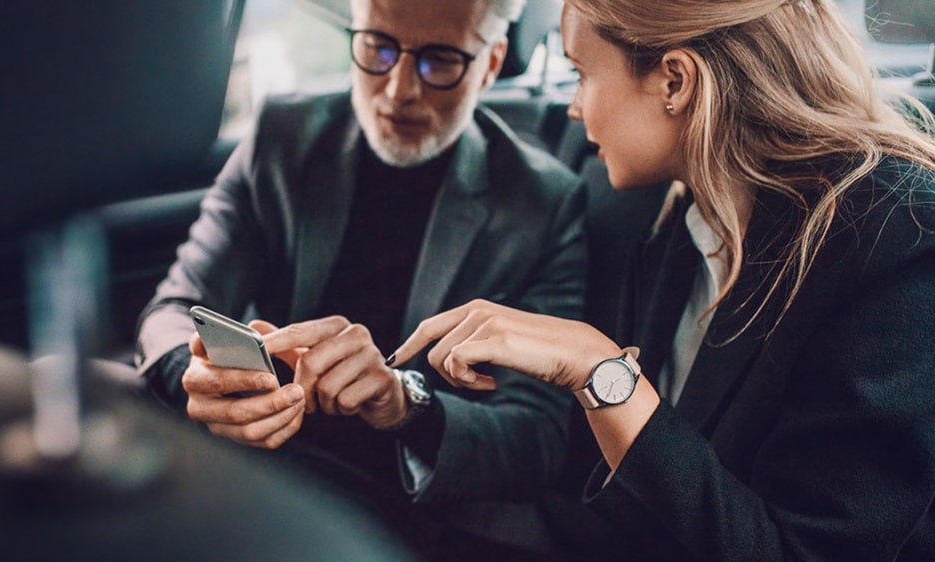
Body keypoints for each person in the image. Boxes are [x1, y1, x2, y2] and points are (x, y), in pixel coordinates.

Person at [390, 0, 935, 560]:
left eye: (581, 74)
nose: (574, 110)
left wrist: (604, 377)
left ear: (674, 80)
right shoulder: (677, 213)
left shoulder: (895, 236)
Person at [134, 0, 586, 558]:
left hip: (395, 503)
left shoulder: (543, 204)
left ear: (491, 63)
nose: (398, 90)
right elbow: (174, 308)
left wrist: (406, 404)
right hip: (247, 459)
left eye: (439, 61)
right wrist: (195, 379)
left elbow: (537, 438)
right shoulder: (283, 137)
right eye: (378, 47)